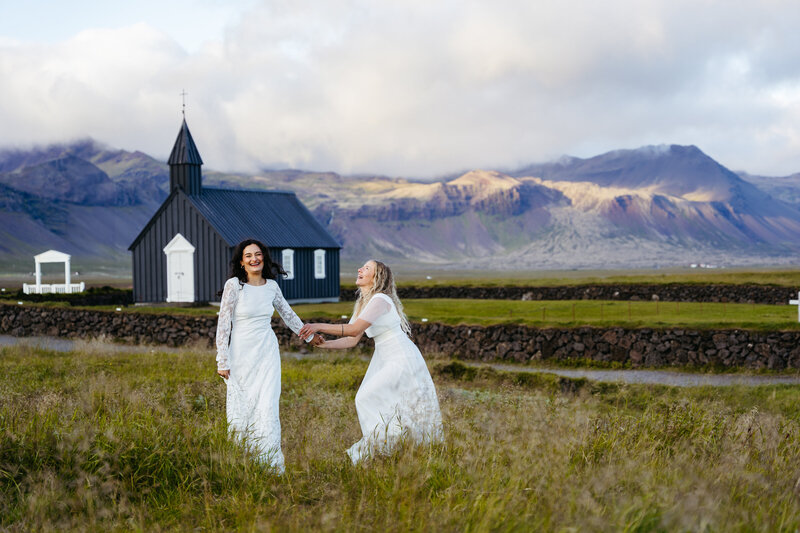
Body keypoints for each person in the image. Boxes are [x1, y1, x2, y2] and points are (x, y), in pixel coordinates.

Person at [299, 260, 443, 464]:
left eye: (366, 268)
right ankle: (392, 447)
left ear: (377, 277)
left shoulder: (380, 299)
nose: (359, 269)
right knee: (393, 404)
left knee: (365, 396)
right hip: (385, 356)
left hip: (401, 356)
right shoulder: (363, 304)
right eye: (361, 267)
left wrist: (318, 326)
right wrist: (324, 345)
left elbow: (354, 330)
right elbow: (352, 340)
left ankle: (381, 445)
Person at [215, 239, 319, 473]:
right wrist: (222, 359)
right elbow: (223, 324)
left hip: (267, 353)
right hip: (240, 353)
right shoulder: (234, 286)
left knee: (267, 405)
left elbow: (288, 314)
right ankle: (240, 461)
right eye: (248, 256)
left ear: (264, 258)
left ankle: (269, 463)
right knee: (242, 407)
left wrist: (310, 337)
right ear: (241, 262)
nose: (254, 259)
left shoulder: (271, 286)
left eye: (258, 254)